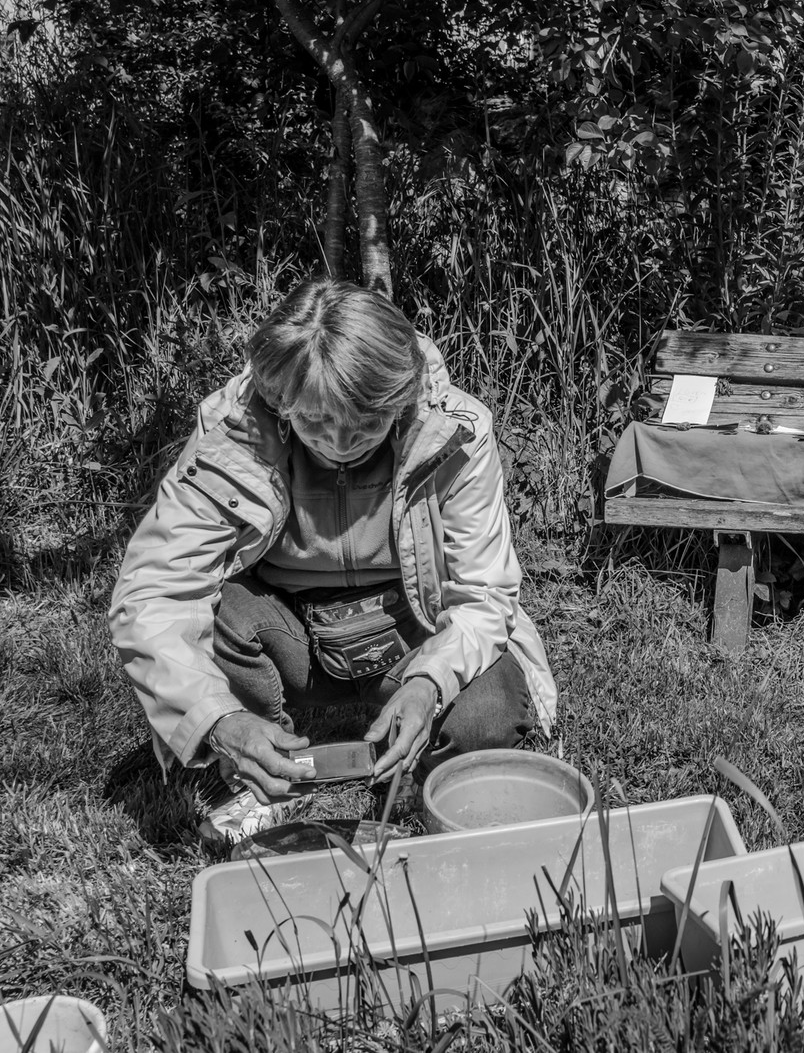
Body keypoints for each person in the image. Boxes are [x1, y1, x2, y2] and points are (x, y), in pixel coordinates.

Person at [108, 277, 559, 840]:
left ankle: (412, 764)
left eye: (368, 423)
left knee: (486, 717)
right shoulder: (232, 436)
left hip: (415, 628)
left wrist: (429, 683)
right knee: (218, 610)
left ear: (403, 394)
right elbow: (154, 594)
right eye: (316, 422)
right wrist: (219, 720)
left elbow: (483, 596)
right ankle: (254, 759)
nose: (342, 444)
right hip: (290, 629)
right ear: (280, 402)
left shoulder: (457, 433)